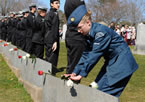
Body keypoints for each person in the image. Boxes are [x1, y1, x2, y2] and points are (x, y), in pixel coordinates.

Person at [65, 5, 138, 98]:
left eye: (80, 27)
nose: (79, 31)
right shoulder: (88, 35)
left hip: (122, 65)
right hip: (112, 63)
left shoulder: (101, 33)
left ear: (88, 22)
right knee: (96, 90)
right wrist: (75, 72)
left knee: (103, 95)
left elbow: (94, 55)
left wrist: (81, 75)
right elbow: (85, 54)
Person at [64, 0, 87, 74]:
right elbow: (84, 18)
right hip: (77, 35)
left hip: (70, 34)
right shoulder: (78, 2)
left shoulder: (67, 2)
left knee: (70, 65)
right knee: (75, 67)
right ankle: (71, 83)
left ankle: (68, 82)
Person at [44, 0, 60, 75]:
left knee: (49, 57)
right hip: (51, 40)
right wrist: (55, 41)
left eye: (58, 3)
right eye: (56, 3)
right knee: (52, 58)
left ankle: (48, 72)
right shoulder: (53, 14)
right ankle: (51, 75)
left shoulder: (51, 14)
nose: (58, 5)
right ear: (51, 4)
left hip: (48, 38)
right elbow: (53, 28)